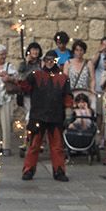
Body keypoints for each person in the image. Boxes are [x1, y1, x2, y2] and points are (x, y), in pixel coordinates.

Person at [19, 49, 72, 181]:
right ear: (43, 61)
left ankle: (59, 171)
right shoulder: (35, 75)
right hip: (38, 115)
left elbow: (67, 96)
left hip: (56, 116)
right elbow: (24, 86)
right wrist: (23, 71)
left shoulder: (63, 78)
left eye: (52, 60)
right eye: (47, 60)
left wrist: (69, 112)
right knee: (34, 145)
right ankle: (28, 170)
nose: (49, 62)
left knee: (57, 146)